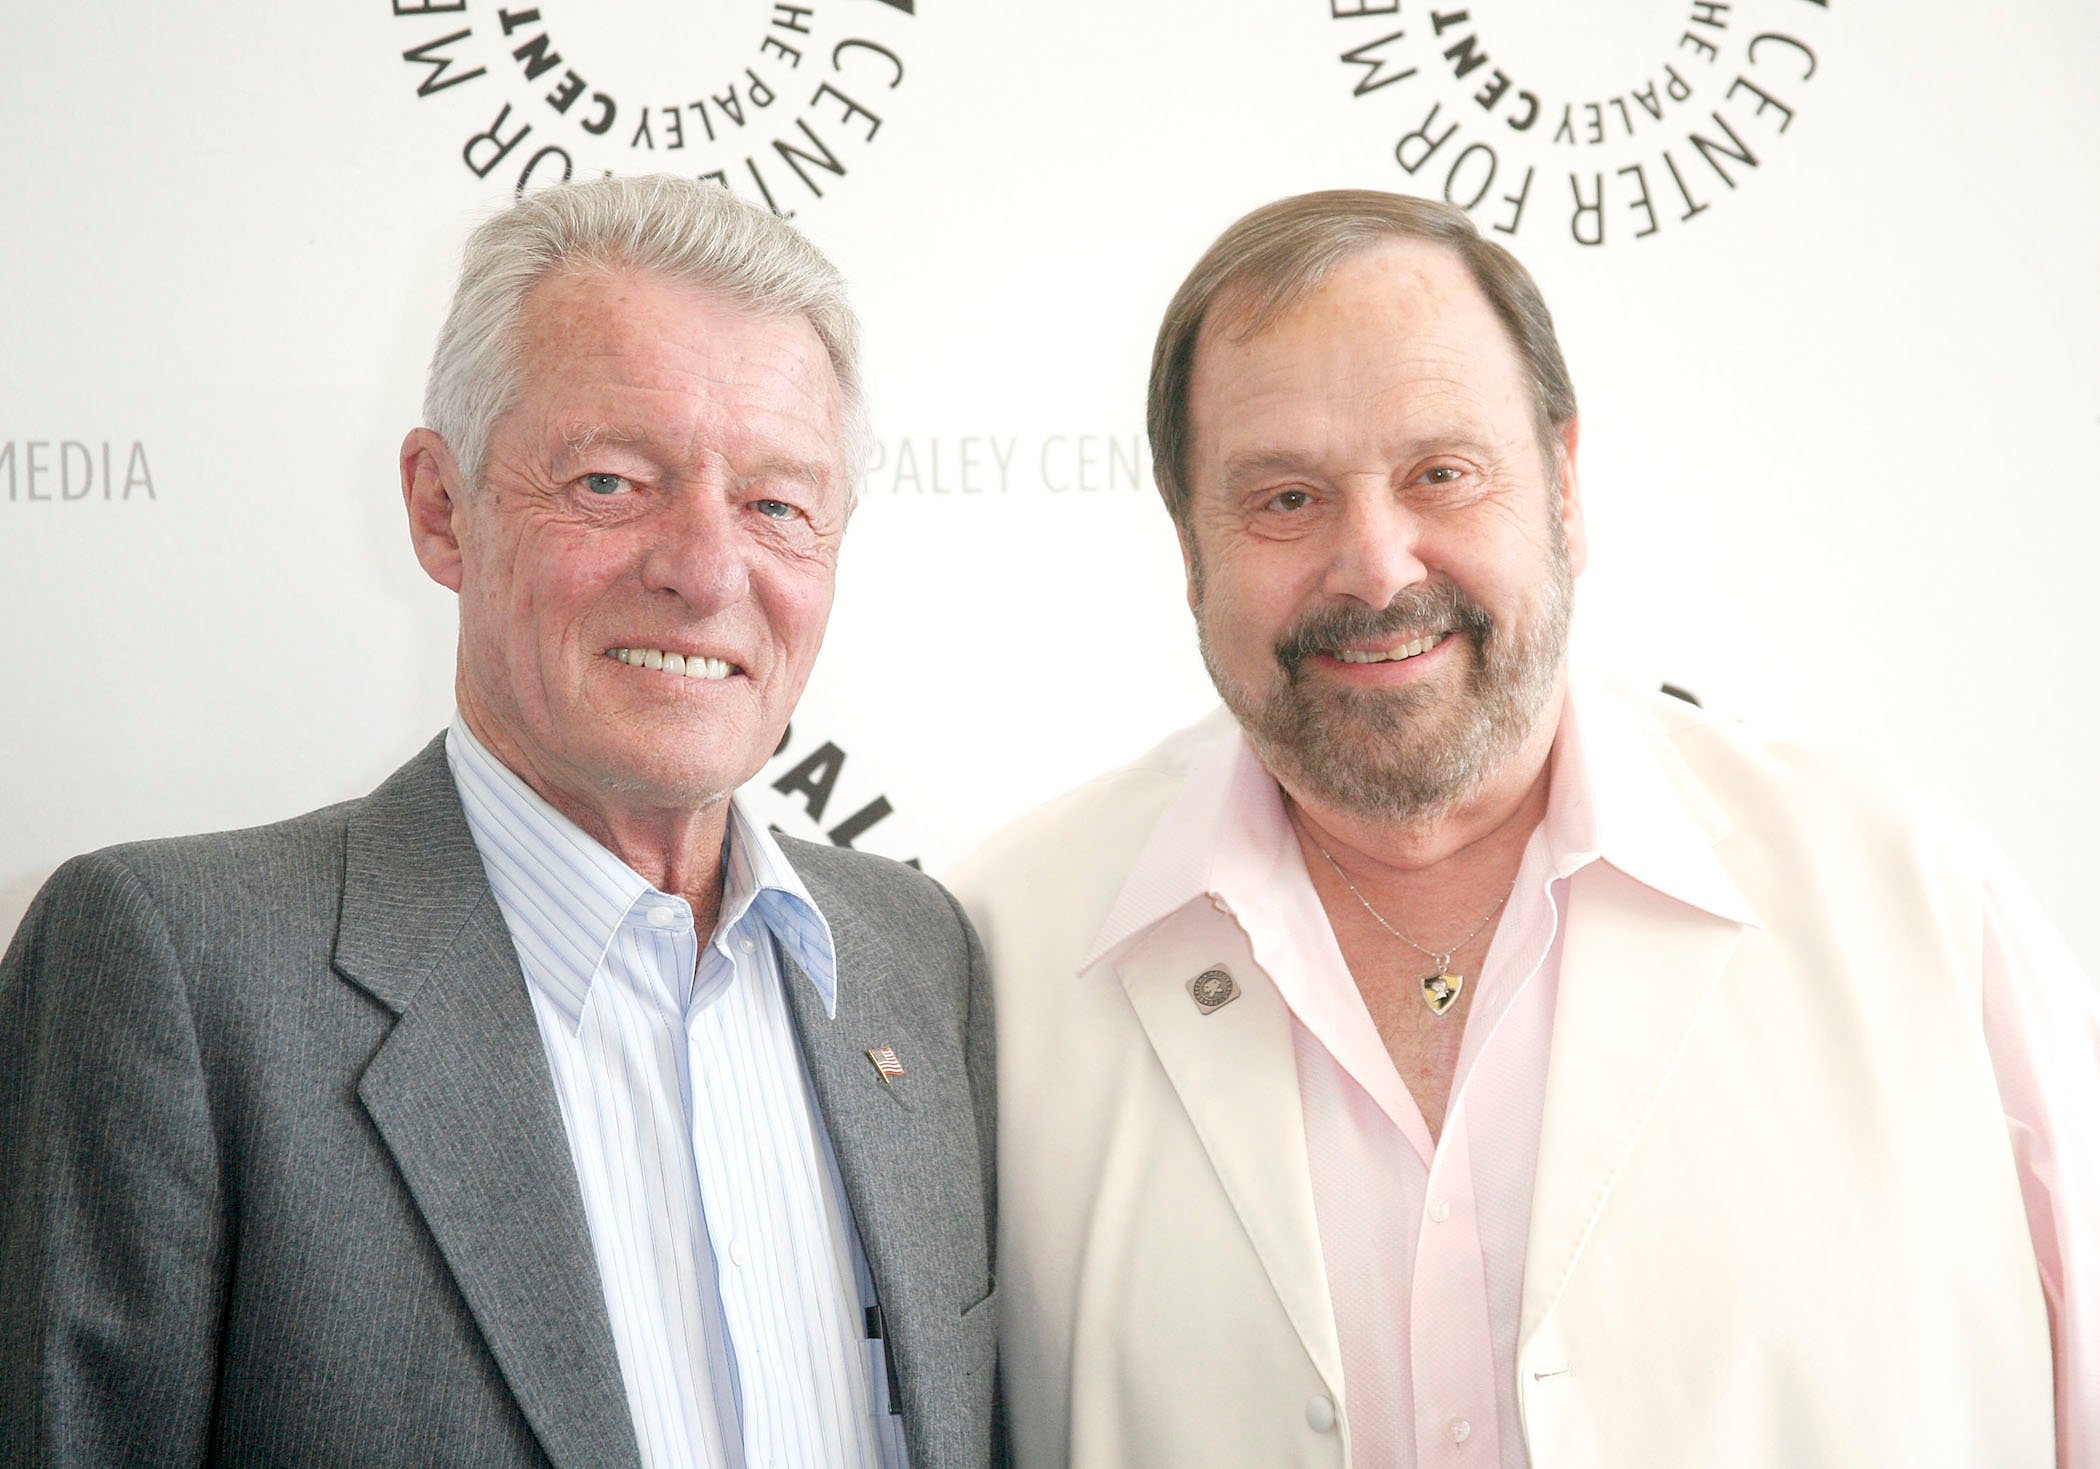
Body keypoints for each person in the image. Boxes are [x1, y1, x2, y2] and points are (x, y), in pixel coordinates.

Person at [951, 190, 2096, 1468]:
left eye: (1442, 472)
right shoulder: (999, 956)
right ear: (1188, 542)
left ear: (1562, 484)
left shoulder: (1914, 902)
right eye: (1285, 498)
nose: (1377, 566)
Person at [0, 176, 997, 1468]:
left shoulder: (919, 959)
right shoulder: (173, 978)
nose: (703, 568)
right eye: (610, 480)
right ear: (438, 505)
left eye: (776, 504)